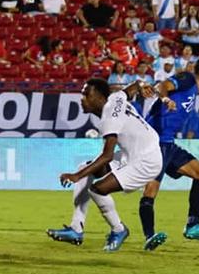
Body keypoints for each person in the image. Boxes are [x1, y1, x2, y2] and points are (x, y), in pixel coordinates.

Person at [46, 79, 166, 252]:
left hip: (146, 161)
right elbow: (132, 87)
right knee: (84, 168)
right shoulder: (116, 98)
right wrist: (141, 85)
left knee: (97, 189)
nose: (82, 98)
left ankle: (119, 230)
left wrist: (75, 177)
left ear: (99, 97)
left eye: (87, 94)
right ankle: (76, 229)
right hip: (133, 153)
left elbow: (107, 156)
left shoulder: (109, 118)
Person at [139, 58, 199, 242]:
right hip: (155, 142)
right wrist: (165, 98)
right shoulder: (188, 79)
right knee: (150, 190)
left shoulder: (194, 91)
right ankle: (149, 236)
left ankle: (193, 225)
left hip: (168, 143)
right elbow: (163, 85)